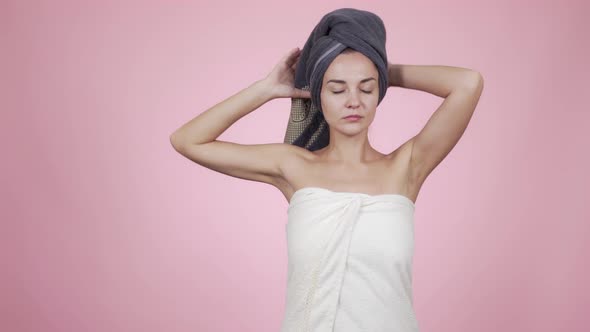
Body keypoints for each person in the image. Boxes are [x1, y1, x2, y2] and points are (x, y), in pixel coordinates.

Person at [170, 9, 483, 332]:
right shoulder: (293, 166)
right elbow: (188, 140)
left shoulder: (405, 168)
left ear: (379, 93)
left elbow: (468, 83)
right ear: (318, 94)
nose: (353, 101)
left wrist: (376, 65)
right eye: (337, 89)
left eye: (367, 88)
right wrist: (266, 89)